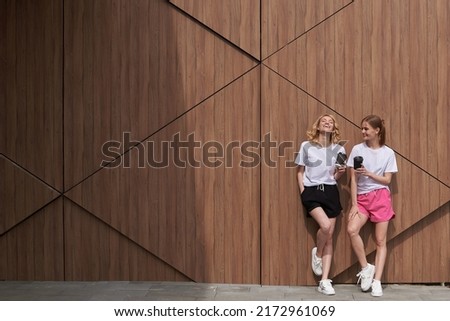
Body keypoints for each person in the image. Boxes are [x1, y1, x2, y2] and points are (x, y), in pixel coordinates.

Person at [346, 115, 398, 297]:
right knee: (352, 229)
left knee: (381, 241)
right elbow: (352, 178)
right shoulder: (356, 149)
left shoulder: (388, 153)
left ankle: (377, 281)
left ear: (377, 131)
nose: (363, 132)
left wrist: (368, 173)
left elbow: (387, 179)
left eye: (366, 129)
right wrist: (353, 204)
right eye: (362, 128)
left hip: (381, 197)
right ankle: (366, 267)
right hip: (361, 199)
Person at [295, 114, 346, 295]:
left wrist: (341, 172)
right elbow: (300, 171)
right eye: (324, 120)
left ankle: (324, 281)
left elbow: (336, 176)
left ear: (334, 128)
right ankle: (317, 254)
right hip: (312, 191)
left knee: (330, 236)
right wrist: (304, 192)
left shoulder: (339, 149)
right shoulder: (306, 146)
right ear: (318, 126)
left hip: (331, 191)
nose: (327, 122)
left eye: (330, 121)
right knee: (325, 226)